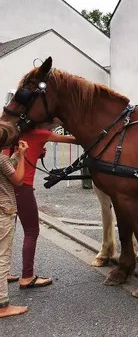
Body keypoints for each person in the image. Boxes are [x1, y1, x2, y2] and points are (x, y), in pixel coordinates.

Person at [5, 122, 77, 289]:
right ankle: (27, 276)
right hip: (23, 187)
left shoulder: (11, 133)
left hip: (4, 186)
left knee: (7, 229)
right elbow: (74, 140)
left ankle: (4, 272)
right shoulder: (40, 134)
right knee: (31, 231)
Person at [0, 135, 28, 318]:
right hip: (4, 211)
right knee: (3, 258)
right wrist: (23, 156)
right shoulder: (0, 158)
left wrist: (16, 155)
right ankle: (2, 305)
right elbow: (17, 179)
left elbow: (5, 170)